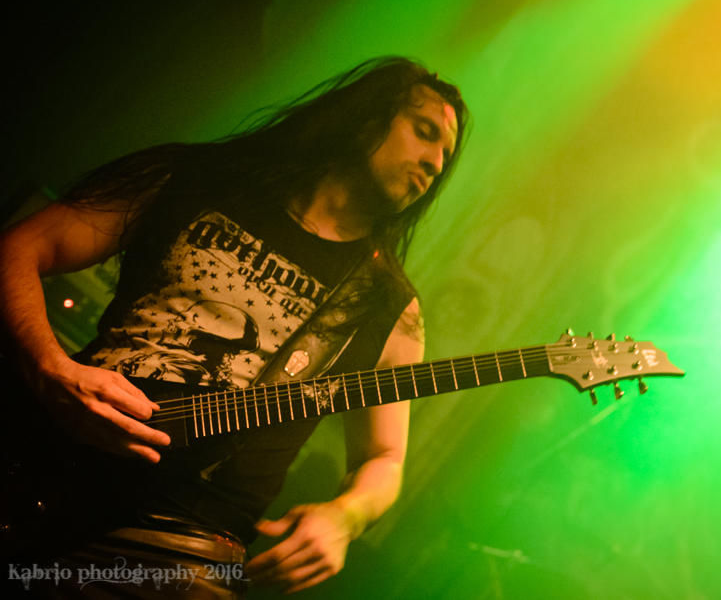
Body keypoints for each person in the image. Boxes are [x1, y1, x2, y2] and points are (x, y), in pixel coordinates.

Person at [0, 57, 468, 596]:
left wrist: (345, 518)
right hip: (41, 464)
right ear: (367, 117)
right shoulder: (195, 179)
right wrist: (50, 368)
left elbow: (383, 459)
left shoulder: (388, 305)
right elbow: (21, 246)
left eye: (445, 156)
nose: (435, 163)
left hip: (186, 546)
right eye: (425, 132)